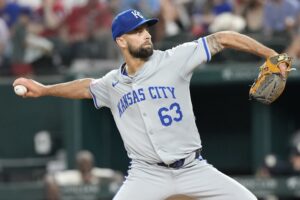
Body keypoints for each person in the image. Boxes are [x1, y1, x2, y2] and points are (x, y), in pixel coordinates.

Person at [13, 9, 289, 200]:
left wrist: (271, 54)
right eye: (137, 31)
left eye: (146, 28)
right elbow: (86, 86)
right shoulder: (113, 83)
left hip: (193, 168)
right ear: (121, 40)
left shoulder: (173, 59)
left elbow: (221, 38)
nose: (146, 35)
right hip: (146, 174)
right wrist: (46, 89)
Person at [45, 150, 123, 200]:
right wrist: (52, 184)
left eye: (87, 164)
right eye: (82, 164)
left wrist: (102, 179)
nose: (85, 167)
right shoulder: (73, 175)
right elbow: (50, 177)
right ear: (78, 165)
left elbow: (118, 175)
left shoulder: (97, 173)